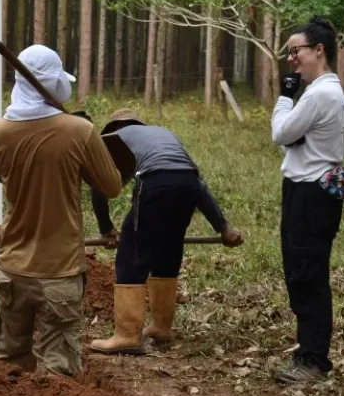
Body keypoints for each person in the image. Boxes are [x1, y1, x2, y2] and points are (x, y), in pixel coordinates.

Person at [0, 44, 123, 377]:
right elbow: (111, 186)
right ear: (54, 84)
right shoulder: (79, 131)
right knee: (58, 380)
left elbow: (1, 175)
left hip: (11, 271)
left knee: (5, 369)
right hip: (58, 274)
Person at [89, 109, 244, 355]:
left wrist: (107, 229)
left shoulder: (113, 139)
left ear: (111, 128)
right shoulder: (162, 135)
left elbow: (99, 187)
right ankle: (162, 327)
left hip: (156, 183)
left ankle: (127, 335)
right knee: (169, 248)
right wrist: (223, 228)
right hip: (187, 185)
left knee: (131, 253)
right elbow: (197, 184)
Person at [270, 16, 344, 384]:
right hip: (307, 190)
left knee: (308, 275)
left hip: (313, 194)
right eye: (287, 53)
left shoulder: (320, 94)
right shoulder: (320, 91)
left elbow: (281, 132)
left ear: (319, 51)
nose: (291, 59)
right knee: (301, 273)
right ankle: (308, 353)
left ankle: (314, 361)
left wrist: (285, 97)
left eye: (295, 50)